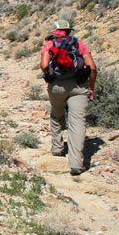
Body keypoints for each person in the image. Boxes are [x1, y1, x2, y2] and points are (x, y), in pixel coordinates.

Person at [40, 19, 97, 176]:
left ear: (56, 31)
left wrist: (50, 76)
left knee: (56, 114)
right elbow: (92, 68)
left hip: (57, 86)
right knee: (78, 123)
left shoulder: (49, 45)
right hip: (79, 85)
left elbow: (44, 65)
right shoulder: (79, 43)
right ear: (69, 31)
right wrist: (90, 87)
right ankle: (76, 164)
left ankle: (57, 148)